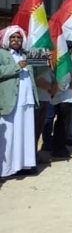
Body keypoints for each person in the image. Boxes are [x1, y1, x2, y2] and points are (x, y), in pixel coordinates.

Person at [0, 26, 38, 178]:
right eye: (13, 37)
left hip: (26, 100)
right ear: (7, 39)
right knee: (9, 135)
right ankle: (6, 169)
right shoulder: (2, 53)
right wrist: (17, 67)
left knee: (26, 133)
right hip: (10, 100)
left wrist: (47, 59)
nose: (16, 40)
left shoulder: (26, 54)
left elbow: (37, 72)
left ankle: (24, 165)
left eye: (19, 37)